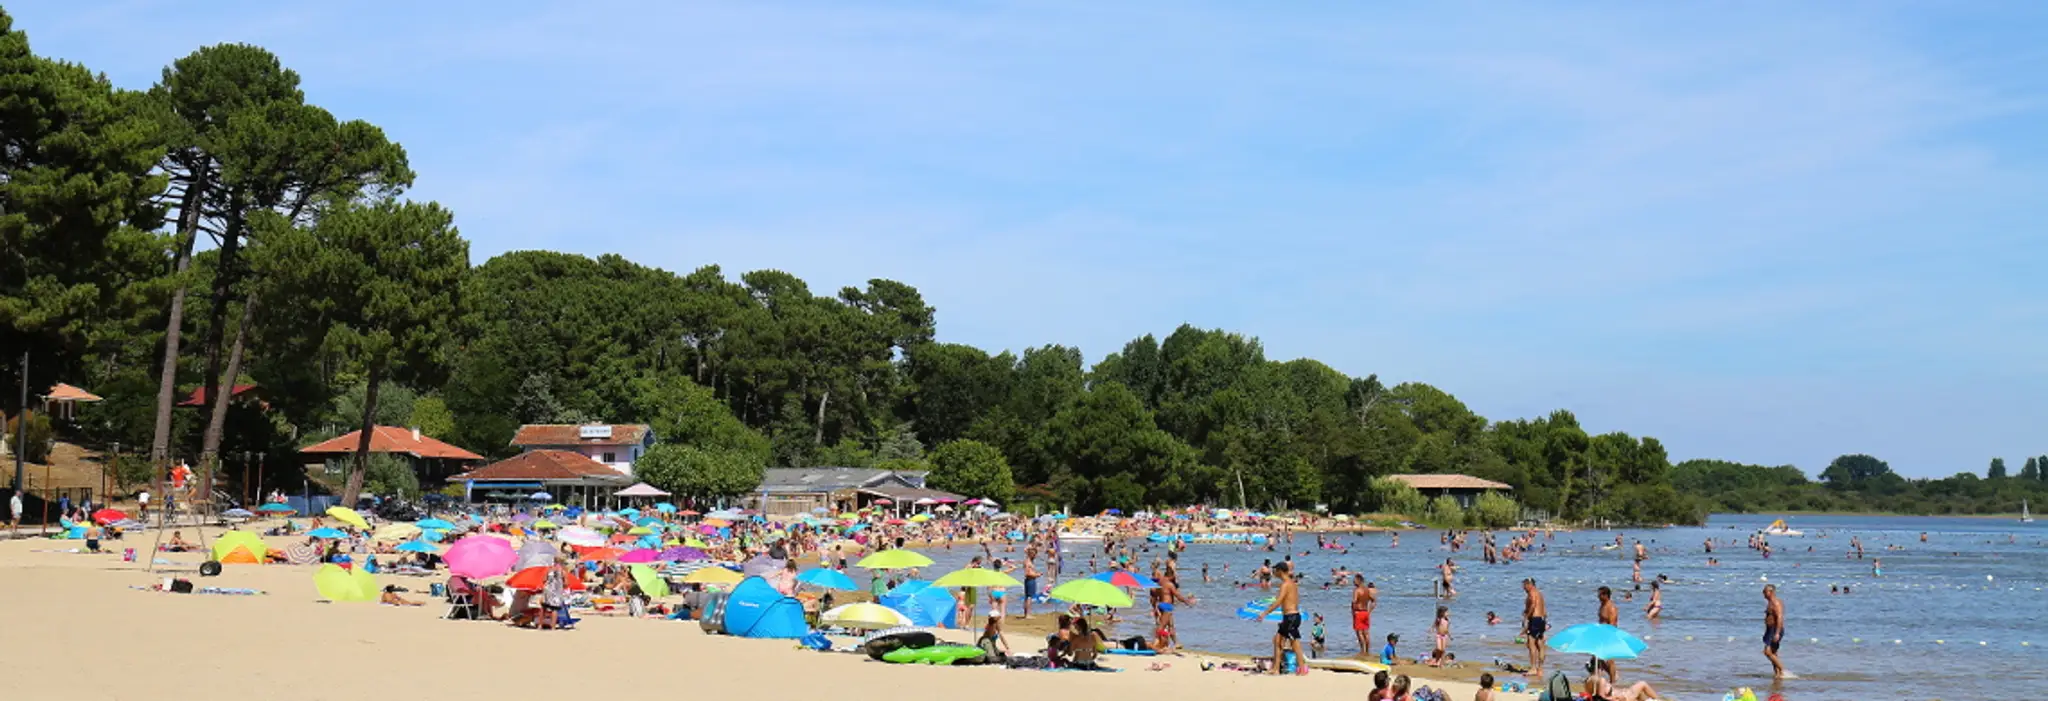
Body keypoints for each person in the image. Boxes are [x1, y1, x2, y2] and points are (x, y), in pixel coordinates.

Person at [1255, 560, 1307, 675]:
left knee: (1295, 643)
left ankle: (1302, 668)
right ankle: (1276, 668)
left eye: (1275, 571)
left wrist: (1265, 613)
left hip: (1291, 617)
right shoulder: (1292, 583)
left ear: (1280, 571)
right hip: (1290, 616)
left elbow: (1279, 601)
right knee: (1277, 640)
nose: (1273, 573)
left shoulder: (1285, 584)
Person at [1522, 578, 1548, 678]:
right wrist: (1544, 621)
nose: (1523, 588)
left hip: (1535, 619)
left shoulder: (1532, 593)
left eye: (1524, 586)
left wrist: (1527, 616)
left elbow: (1532, 605)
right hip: (1541, 619)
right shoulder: (1539, 593)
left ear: (1530, 585)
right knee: (1540, 644)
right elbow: (1544, 610)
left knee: (1531, 643)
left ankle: (1533, 668)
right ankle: (1540, 669)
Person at [1763, 583, 1786, 678]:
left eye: (1765, 591)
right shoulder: (1770, 602)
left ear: (1771, 592)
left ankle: (1782, 670)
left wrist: (1777, 633)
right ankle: (1777, 674)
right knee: (1773, 653)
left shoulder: (1776, 603)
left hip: (1775, 629)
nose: (1763, 593)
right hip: (1770, 630)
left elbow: (1780, 617)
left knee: (1767, 652)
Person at [1596, 586, 1619, 680]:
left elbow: (1612, 625)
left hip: (1609, 635)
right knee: (1596, 658)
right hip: (1601, 634)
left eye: (1600, 594)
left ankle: (1612, 681)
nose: (1598, 596)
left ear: (1606, 595)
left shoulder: (1611, 608)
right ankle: (1611, 676)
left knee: (1610, 660)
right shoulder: (1602, 605)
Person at [1351, 574, 1377, 654]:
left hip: (1358, 612)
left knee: (1359, 633)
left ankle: (1362, 650)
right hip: (1365, 612)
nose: (1353, 582)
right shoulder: (1367, 590)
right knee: (1366, 632)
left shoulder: (1357, 590)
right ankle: (1367, 651)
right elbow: (1374, 601)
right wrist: (1370, 611)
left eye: (1354, 580)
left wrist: (1353, 612)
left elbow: (1354, 602)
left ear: (1359, 580)